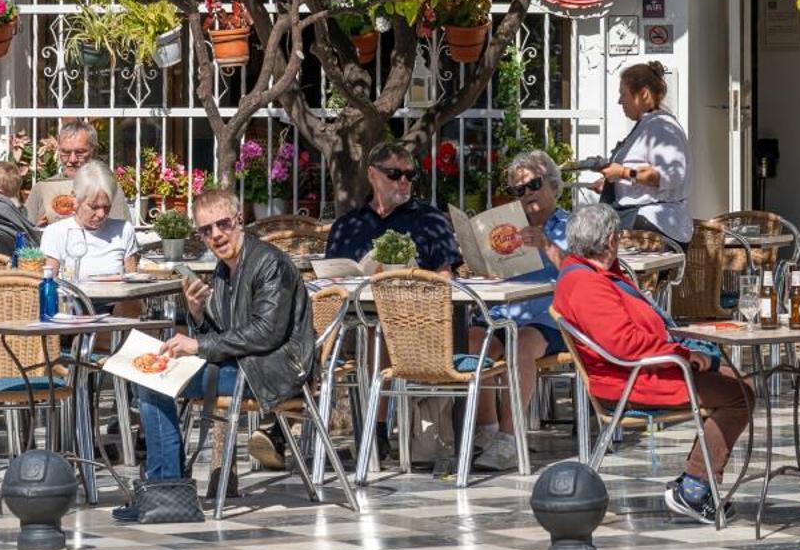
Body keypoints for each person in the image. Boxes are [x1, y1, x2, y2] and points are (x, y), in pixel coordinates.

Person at [116, 189, 314, 523]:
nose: (216, 235)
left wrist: (198, 346)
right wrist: (197, 315)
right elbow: (223, 336)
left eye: (222, 224)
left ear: (240, 220)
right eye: (206, 230)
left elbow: (267, 333)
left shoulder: (269, 263)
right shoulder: (225, 270)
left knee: (154, 381)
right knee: (147, 374)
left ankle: (166, 491)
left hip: (273, 369)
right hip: (244, 364)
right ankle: (165, 490)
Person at [554, 202, 755, 525]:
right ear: (610, 241)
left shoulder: (593, 273)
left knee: (739, 381)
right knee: (740, 393)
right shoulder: (587, 284)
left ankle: (696, 482)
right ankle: (694, 488)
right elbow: (625, 345)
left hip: (643, 370)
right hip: (632, 380)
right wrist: (684, 356)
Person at [464, 151, 571, 472]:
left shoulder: (573, 224)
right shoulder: (507, 229)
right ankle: (488, 428)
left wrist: (548, 246)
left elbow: (585, 272)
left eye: (533, 185)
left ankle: (511, 439)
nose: (526, 195)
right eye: (518, 191)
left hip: (551, 319)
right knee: (470, 340)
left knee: (521, 343)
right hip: (505, 313)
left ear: (553, 185)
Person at [590, 62, 691, 244]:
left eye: (623, 94)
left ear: (643, 94)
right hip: (638, 216)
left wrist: (623, 173)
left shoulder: (663, 128)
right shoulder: (647, 125)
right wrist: (615, 183)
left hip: (654, 224)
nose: (620, 101)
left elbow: (670, 176)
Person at [325, 142, 460, 274]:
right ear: (372, 175)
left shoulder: (431, 220)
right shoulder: (345, 226)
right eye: (394, 173)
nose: (404, 180)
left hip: (414, 296)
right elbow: (330, 282)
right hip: (355, 296)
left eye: (409, 175)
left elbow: (445, 278)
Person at [40, 163, 139, 281]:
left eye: (106, 206)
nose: (101, 214)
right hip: (72, 299)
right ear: (75, 199)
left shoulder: (123, 230)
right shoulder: (55, 233)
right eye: (94, 207)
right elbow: (48, 283)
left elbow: (133, 285)